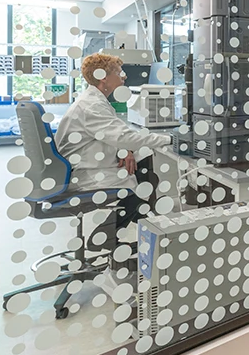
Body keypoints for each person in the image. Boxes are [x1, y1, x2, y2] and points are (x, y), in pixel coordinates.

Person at [55, 53, 172, 231]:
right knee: (142, 181)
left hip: (86, 161)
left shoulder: (94, 100)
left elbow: (113, 134)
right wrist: (169, 139)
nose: (123, 76)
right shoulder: (92, 106)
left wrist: (124, 149)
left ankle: (139, 218)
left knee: (144, 169)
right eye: (118, 72)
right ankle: (108, 235)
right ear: (103, 77)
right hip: (84, 172)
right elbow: (123, 137)